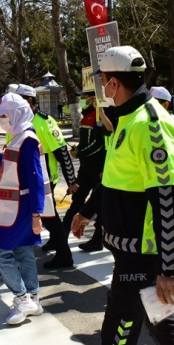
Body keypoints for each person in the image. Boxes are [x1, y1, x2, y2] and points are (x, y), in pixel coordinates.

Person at [72, 46, 174, 345]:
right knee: (160, 321)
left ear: (114, 83)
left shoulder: (151, 124)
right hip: (128, 248)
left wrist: (169, 267)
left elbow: (166, 197)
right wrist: (86, 211)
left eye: (103, 82)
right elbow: (115, 177)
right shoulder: (126, 118)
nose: (101, 89)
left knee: (116, 334)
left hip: (143, 253)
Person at [0, 92, 50, 325]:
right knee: (23, 252)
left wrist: (36, 215)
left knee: (0, 253)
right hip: (17, 207)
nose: (1, 120)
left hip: (22, 208)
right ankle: (33, 299)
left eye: (3, 116)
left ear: (15, 115)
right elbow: (12, 168)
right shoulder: (18, 137)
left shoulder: (28, 140)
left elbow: (35, 180)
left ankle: (23, 299)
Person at [15, 84, 78, 269]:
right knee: (39, 218)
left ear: (29, 101)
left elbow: (62, 152)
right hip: (25, 178)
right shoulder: (18, 122)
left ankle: (63, 256)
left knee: (48, 219)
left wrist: (71, 181)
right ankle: (55, 248)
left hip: (43, 180)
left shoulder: (44, 122)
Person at [63, 88, 108, 252]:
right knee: (77, 200)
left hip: (98, 168)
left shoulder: (99, 115)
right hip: (85, 167)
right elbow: (86, 143)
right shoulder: (86, 116)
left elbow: (98, 145)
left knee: (100, 205)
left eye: (84, 97)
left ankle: (98, 239)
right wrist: (77, 150)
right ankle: (61, 237)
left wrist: (80, 151)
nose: (82, 100)